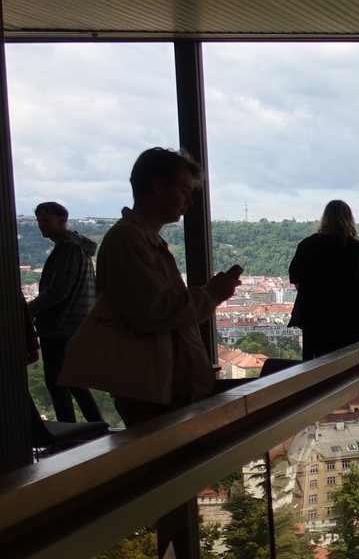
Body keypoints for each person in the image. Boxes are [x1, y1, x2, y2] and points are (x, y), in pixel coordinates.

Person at [60, 148, 241, 426]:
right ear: (158, 186)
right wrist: (212, 294)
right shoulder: (129, 239)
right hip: (156, 391)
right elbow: (154, 312)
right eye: (184, 190)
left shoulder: (138, 238)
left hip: (160, 388)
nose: (190, 201)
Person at [26, 200, 104, 423]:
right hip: (73, 323)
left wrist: (29, 310)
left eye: (45, 220)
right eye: (39, 221)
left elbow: (59, 290)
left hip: (60, 325)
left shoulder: (68, 248)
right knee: (73, 382)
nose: (41, 225)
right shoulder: (77, 248)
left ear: (62, 221)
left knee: (58, 383)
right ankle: (95, 427)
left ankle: (70, 431)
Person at [287, 199, 359, 360]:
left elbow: (294, 277)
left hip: (315, 316)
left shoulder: (307, 245)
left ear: (324, 219)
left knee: (314, 363)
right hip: (348, 317)